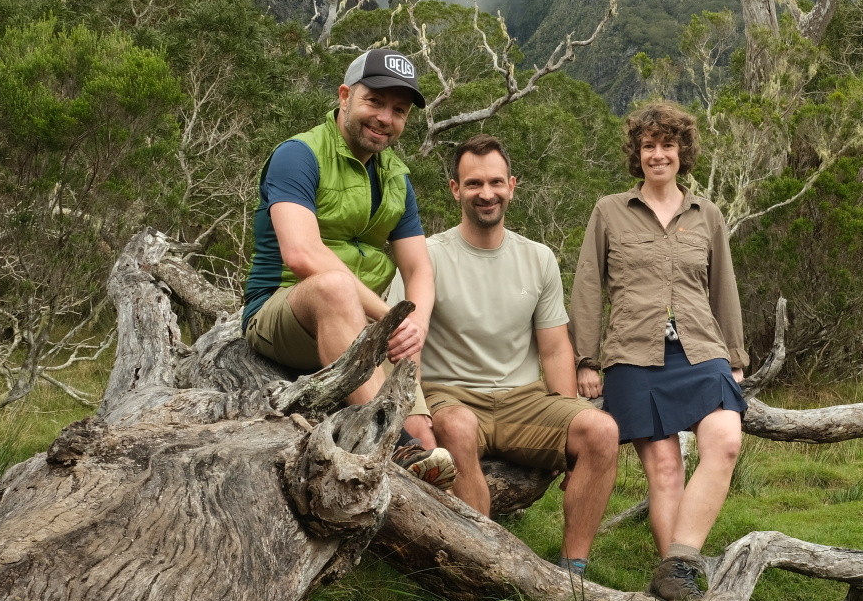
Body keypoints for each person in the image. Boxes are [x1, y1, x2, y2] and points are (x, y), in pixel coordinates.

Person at [570, 101, 748, 601]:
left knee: (725, 443)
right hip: (633, 356)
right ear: (637, 154)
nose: (658, 154)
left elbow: (724, 289)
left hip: (701, 351)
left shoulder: (706, 214)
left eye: (667, 145)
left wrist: (734, 359)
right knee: (666, 469)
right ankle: (679, 586)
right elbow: (587, 287)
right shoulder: (609, 212)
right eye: (648, 146)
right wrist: (586, 359)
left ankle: (679, 562)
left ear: (682, 151)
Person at [419, 134, 621, 570]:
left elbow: (553, 349)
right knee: (456, 425)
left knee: (601, 432)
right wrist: (414, 419)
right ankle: (477, 567)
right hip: (450, 394)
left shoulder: (539, 258)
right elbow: (402, 347)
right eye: (473, 184)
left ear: (513, 185)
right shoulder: (427, 257)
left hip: (522, 399)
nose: (486, 194)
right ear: (455, 189)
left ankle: (573, 573)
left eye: (495, 182)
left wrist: (568, 423)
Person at [241, 48, 444, 480]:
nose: (385, 118)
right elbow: (302, 255)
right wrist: (390, 317)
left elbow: (420, 270)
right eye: (375, 102)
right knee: (333, 285)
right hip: (283, 308)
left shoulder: (396, 177)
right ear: (345, 96)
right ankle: (382, 435)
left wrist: (416, 324)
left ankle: (416, 500)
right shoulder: (300, 154)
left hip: (368, 322)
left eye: (399, 110)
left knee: (429, 448)